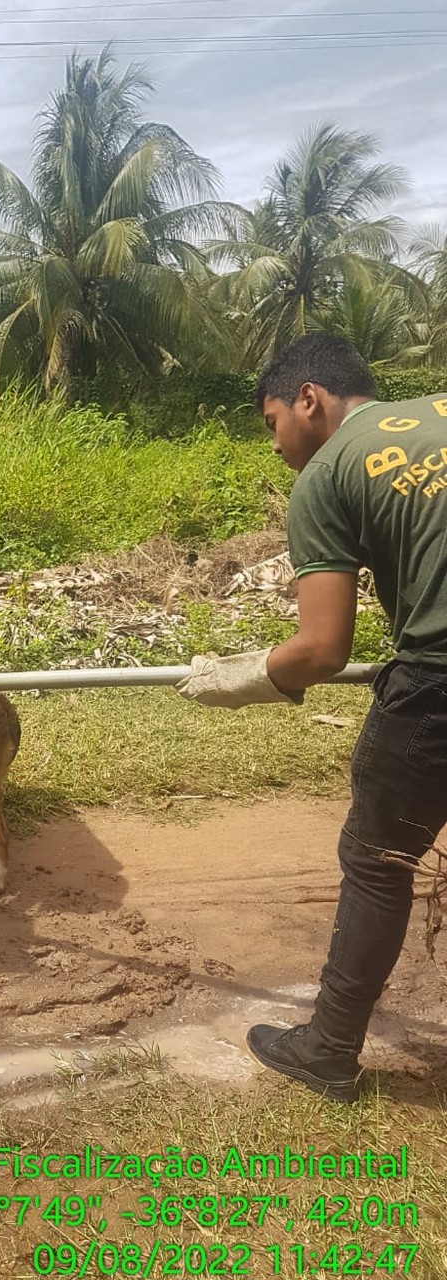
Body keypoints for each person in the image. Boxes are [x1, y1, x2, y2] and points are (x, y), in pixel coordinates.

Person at [177, 332, 447, 1102]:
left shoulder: (329, 472)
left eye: (270, 423)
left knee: (377, 859)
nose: (274, 446)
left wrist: (237, 679)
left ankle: (327, 1049)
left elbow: (324, 648)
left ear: (308, 400)